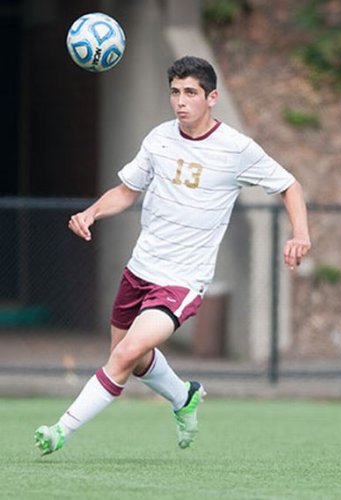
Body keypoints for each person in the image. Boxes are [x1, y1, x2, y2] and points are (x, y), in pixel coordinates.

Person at [34, 56, 311, 455]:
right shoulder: (159, 138)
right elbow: (127, 191)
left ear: (212, 97)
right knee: (132, 355)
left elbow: (290, 185)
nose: (181, 102)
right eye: (175, 93)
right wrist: (92, 211)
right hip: (139, 269)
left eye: (191, 93)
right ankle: (184, 398)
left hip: (182, 280)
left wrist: (299, 234)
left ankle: (61, 429)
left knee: (127, 353)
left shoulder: (235, 149)